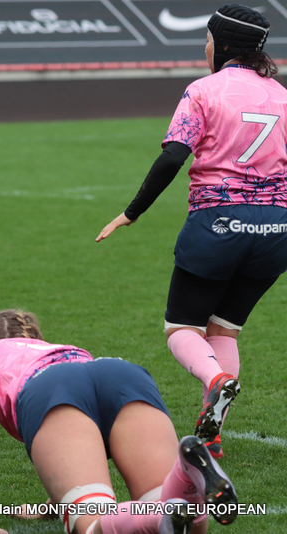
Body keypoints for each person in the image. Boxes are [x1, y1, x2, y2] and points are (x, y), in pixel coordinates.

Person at [96, 3, 287, 459]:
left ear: (223, 44)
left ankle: (215, 378)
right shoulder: (282, 94)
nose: (205, 48)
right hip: (276, 228)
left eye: (208, 40)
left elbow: (172, 157)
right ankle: (211, 435)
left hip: (218, 223)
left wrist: (132, 212)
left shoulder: (203, 90)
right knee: (225, 330)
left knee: (182, 327)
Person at [0, 310, 238, 534]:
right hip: (118, 372)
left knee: (93, 523)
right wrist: (51, 507)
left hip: (49, 388)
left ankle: (156, 516)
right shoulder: (60, 349)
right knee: (163, 502)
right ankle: (186, 479)